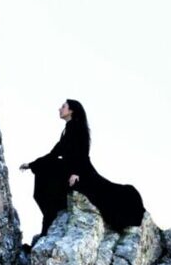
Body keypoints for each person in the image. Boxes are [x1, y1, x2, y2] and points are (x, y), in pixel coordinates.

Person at [20, 98, 145, 236]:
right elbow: (54, 153)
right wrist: (31, 164)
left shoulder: (78, 127)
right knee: (47, 169)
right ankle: (49, 221)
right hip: (72, 170)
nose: (59, 109)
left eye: (63, 106)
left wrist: (76, 173)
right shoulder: (68, 130)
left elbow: (83, 153)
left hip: (83, 172)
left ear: (71, 110)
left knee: (107, 193)